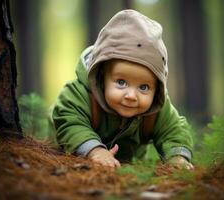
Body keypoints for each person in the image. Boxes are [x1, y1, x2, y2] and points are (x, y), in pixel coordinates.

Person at [52, 9, 194, 169]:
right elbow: (69, 119)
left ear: (157, 88)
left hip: (130, 171)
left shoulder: (157, 108)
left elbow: (173, 130)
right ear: (102, 76)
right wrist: (95, 151)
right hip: (73, 164)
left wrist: (177, 157)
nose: (132, 95)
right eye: (121, 82)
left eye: (144, 87)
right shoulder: (81, 94)